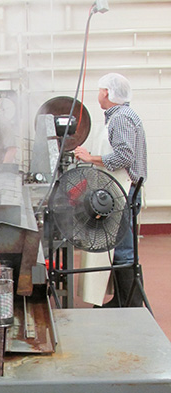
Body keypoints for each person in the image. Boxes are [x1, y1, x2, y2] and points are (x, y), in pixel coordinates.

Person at [74, 73, 147, 307]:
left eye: (99, 91)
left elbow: (124, 156)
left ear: (106, 92)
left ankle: (130, 303)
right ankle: (122, 300)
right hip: (121, 192)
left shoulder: (121, 118)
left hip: (124, 193)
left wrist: (89, 158)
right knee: (119, 248)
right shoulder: (118, 116)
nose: (98, 95)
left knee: (124, 249)